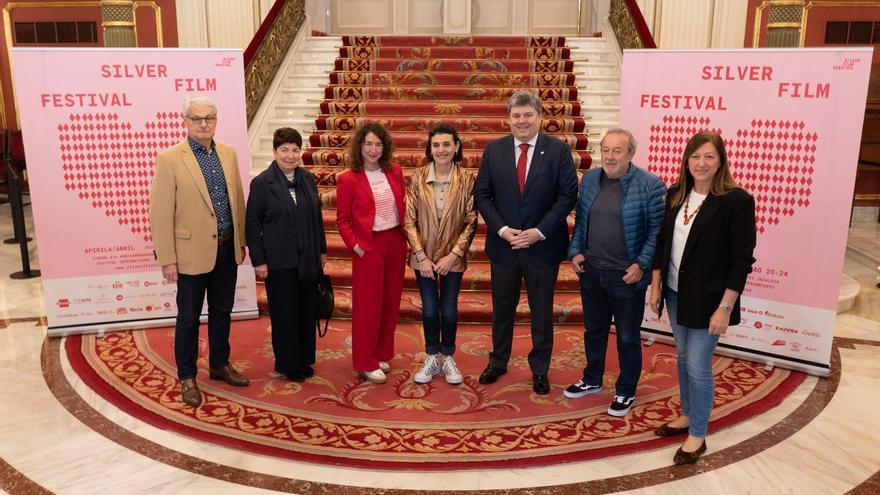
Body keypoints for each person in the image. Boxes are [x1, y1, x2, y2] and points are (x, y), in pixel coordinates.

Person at [648, 131, 756, 465]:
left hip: (711, 300)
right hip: (677, 293)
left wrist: (725, 308)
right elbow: (663, 244)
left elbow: (742, 261)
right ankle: (685, 414)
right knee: (682, 357)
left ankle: (698, 433)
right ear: (687, 161)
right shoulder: (675, 194)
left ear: (721, 160)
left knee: (697, 365)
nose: (701, 163)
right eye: (695, 157)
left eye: (709, 156)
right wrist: (656, 286)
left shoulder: (737, 201)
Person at [473, 91, 578, 395]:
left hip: (542, 246)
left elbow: (566, 196)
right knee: (502, 309)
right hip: (504, 245)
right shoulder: (494, 150)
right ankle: (498, 360)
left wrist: (538, 231)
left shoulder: (557, 150)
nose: (522, 121)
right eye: (516, 116)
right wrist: (503, 229)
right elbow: (483, 195)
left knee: (541, 311)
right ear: (509, 119)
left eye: (527, 115)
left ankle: (540, 368)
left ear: (539, 117)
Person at [149, 94, 249, 408]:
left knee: (222, 311)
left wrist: (241, 240)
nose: (204, 124)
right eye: (197, 118)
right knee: (189, 317)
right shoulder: (170, 158)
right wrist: (167, 258)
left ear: (216, 121)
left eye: (209, 118)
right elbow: (160, 212)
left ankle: (219, 363)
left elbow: (238, 202)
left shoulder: (229, 154)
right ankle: (187, 375)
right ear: (186, 122)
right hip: (190, 254)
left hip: (226, 250)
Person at [564, 128, 666, 417]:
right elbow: (581, 221)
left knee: (627, 337)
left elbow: (657, 232)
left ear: (631, 153)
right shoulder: (591, 180)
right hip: (592, 272)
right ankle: (592, 379)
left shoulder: (651, 185)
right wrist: (575, 251)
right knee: (593, 331)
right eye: (606, 150)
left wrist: (642, 264)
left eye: (617, 150)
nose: (609, 156)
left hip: (626, 277)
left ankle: (626, 390)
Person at [245, 127, 327, 382]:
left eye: (295, 150)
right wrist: (259, 260)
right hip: (279, 262)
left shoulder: (307, 178)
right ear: (274, 152)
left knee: (306, 311)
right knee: (284, 315)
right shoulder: (262, 183)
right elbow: (252, 224)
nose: (290, 156)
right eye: (284, 150)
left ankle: (304, 358)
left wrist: (322, 250)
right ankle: (288, 364)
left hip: (308, 258)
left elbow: (317, 217)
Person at [404, 123, 478, 385]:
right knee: (429, 310)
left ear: (456, 146)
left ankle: (448, 356)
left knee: (448, 309)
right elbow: (409, 220)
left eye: (447, 144)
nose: (441, 149)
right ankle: (431, 355)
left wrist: (454, 255)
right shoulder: (417, 177)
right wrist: (421, 257)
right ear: (430, 148)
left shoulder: (467, 179)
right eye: (436, 145)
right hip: (422, 258)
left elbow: (471, 220)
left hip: (452, 259)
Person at [335, 122, 407, 384]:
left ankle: (380, 353)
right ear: (360, 147)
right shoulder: (348, 179)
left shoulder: (395, 172)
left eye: (378, 144)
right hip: (369, 247)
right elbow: (342, 220)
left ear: (384, 147)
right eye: (368, 144)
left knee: (390, 302)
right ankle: (365, 362)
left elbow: (404, 206)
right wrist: (357, 246)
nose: (373, 149)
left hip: (395, 243)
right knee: (368, 307)